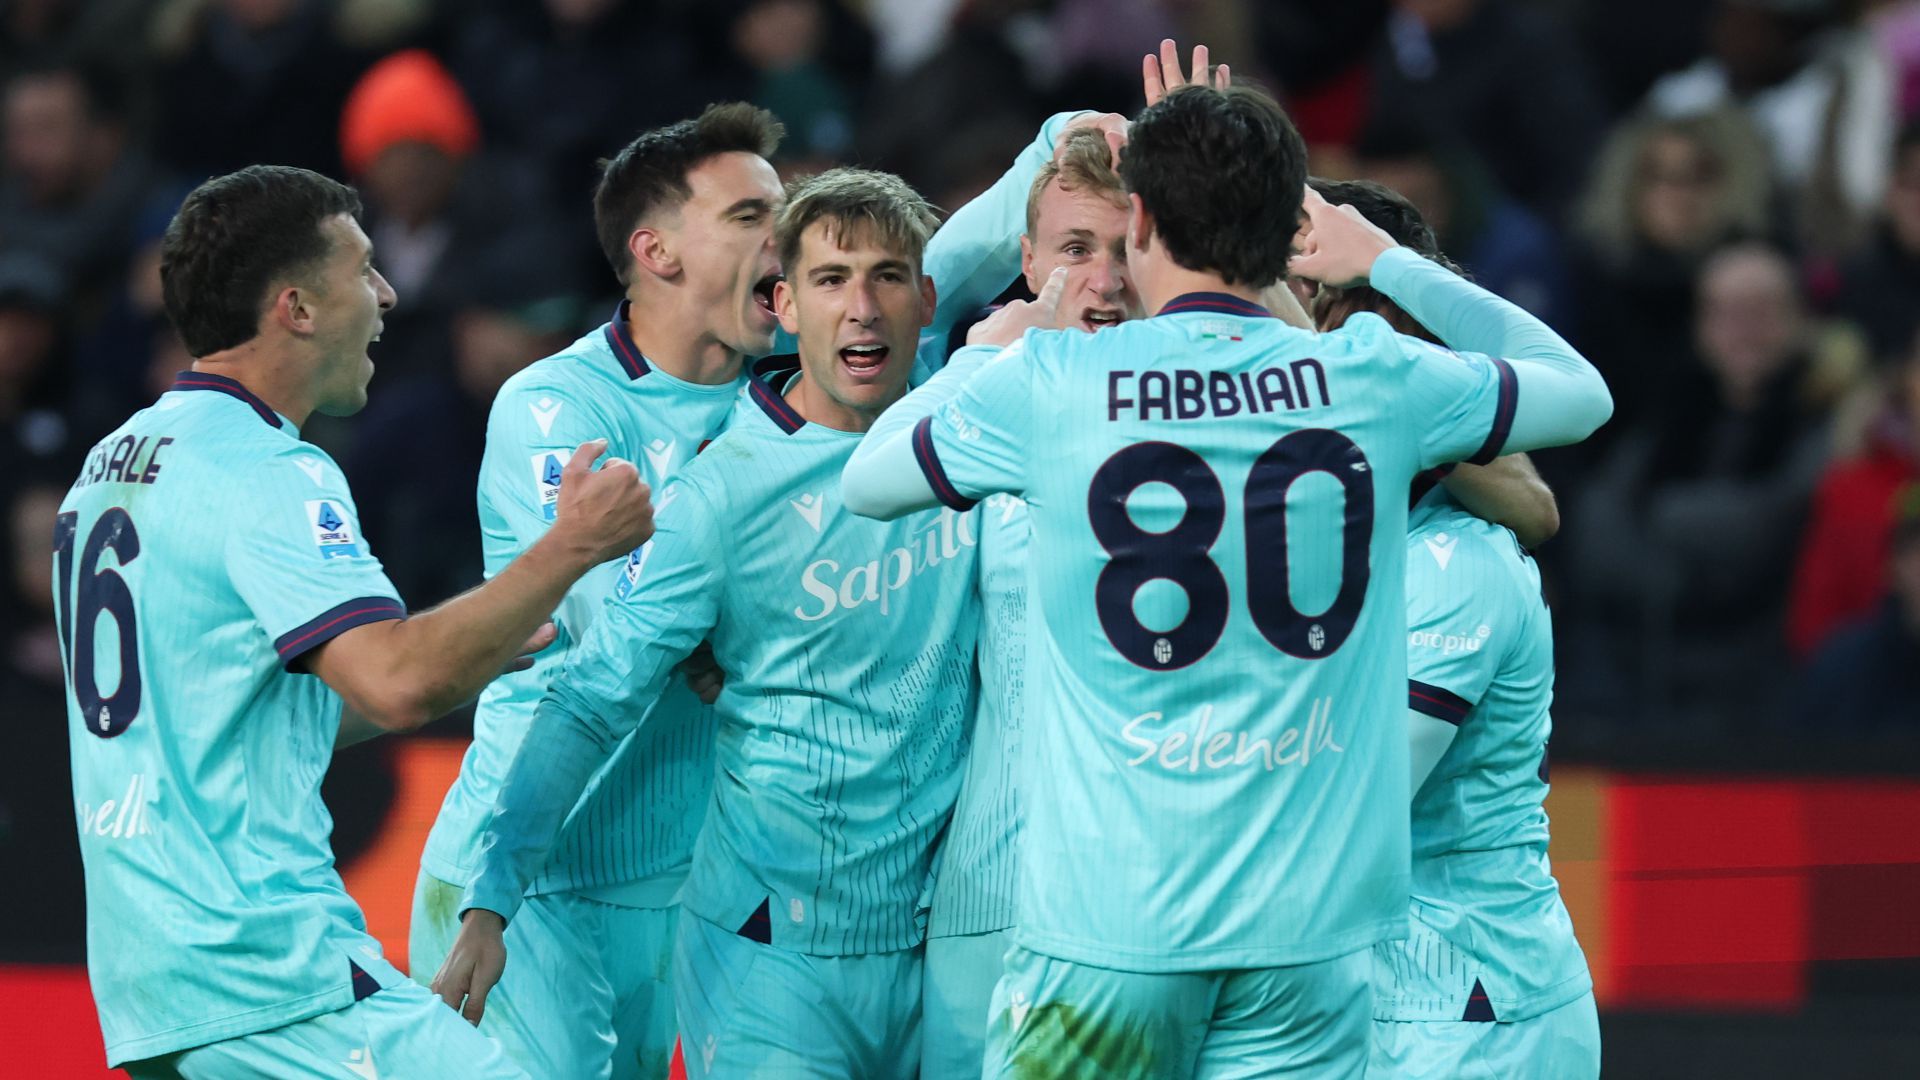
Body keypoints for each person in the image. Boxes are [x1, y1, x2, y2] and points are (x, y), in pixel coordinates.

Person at [843, 84, 1611, 1077]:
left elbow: (871, 480)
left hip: (1111, 930)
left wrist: (995, 352)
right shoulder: (1365, 378)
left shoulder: (1060, 385)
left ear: (1145, 223)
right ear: (1285, 234)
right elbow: (1581, 395)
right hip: (1303, 941)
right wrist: (1386, 262)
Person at [414, 100, 1098, 1079]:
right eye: (750, 218)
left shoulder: (853, 399)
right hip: (544, 878)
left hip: (692, 874)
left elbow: (923, 272)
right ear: (658, 251)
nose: (778, 240)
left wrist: (1049, 146)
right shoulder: (562, 409)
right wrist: (706, 618)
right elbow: (600, 643)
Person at [59, 164, 652, 1078]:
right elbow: (398, 679)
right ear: (296, 306)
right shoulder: (268, 470)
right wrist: (568, 547)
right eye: (364, 269)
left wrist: (484, 653)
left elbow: (234, 715)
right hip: (267, 969)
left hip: (154, 984)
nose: (387, 294)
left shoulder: (113, 462)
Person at [1304, 177, 1598, 1078]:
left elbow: (1347, 815)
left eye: (1300, 298)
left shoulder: (1455, 563)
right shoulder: (1304, 525)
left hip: (1471, 1010)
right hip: (1370, 1004)